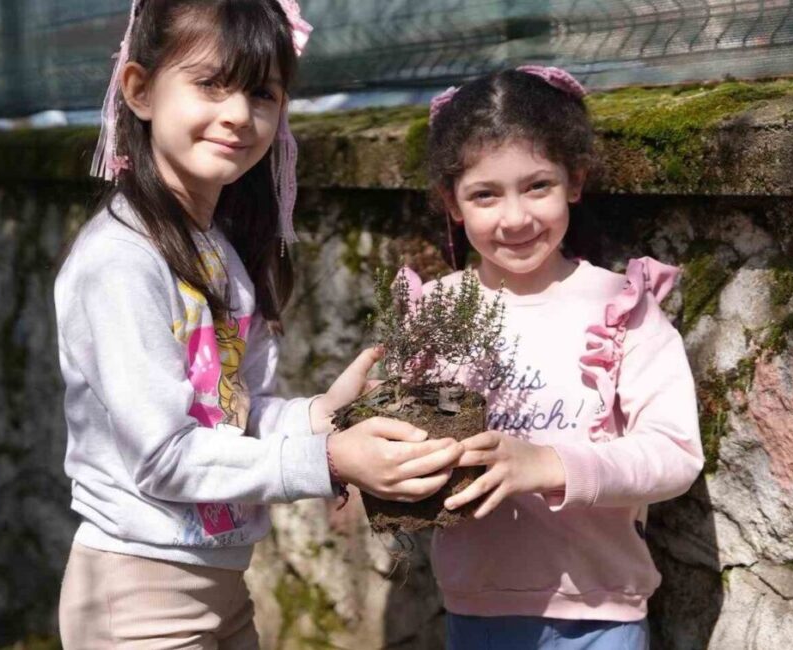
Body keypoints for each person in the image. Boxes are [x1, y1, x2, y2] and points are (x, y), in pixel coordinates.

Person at [54, 1, 462, 647]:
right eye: (210, 83)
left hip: (214, 583)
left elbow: (226, 414)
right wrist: (328, 462)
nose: (239, 114)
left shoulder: (216, 249)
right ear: (139, 90)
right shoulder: (119, 264)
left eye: (262, 92)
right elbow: (164, 456)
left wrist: (318, 417)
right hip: (136, 594)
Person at [421, 66, 704, 649]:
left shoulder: (623, 310)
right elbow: (399, 438)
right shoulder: (433, 313)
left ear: (574, 181)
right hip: (476, 611)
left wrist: (550, 465)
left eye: (537, 186)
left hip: (602, 617)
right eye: (485, 194)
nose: (516, 217)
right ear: (453, 202)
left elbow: (676, 453)